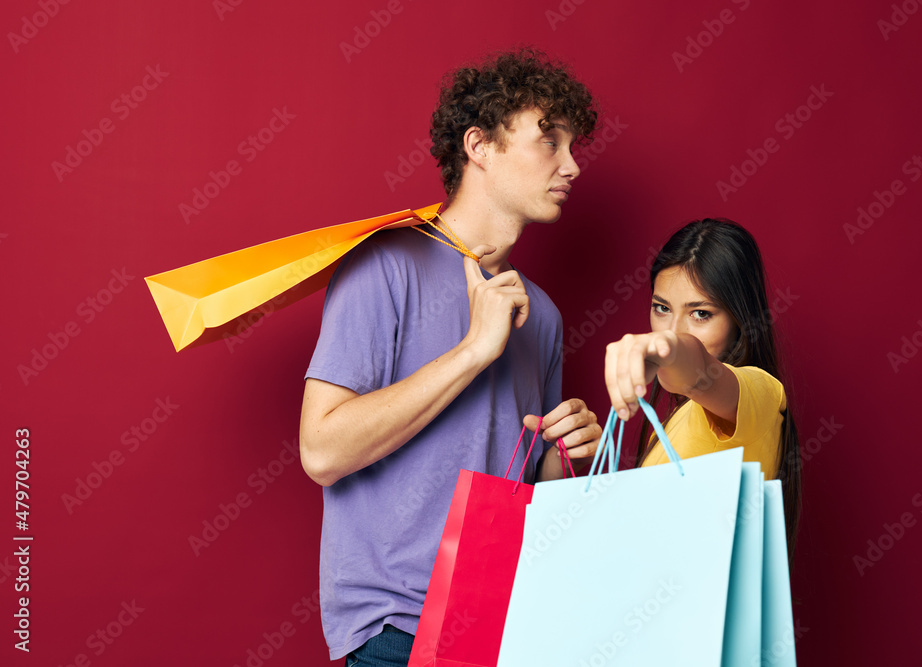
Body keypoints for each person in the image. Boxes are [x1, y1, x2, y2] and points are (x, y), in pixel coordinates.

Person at [298, 49, 602, 665]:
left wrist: (570, 456)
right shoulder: (384, 263)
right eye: (550, 141)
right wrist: (473, 351)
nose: (571, 166)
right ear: (479, 146)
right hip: (397, 632)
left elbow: (531, 490)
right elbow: (321, 452)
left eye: (574, 147)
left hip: (503, 625)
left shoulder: (539, 314)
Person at [603, 218, 802, 549]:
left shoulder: (760, 393)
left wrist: (663, 348)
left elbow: (695, 368)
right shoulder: (677, 421)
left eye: (701, 314)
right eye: (662, 308)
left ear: (740, 321)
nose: (674, 328)